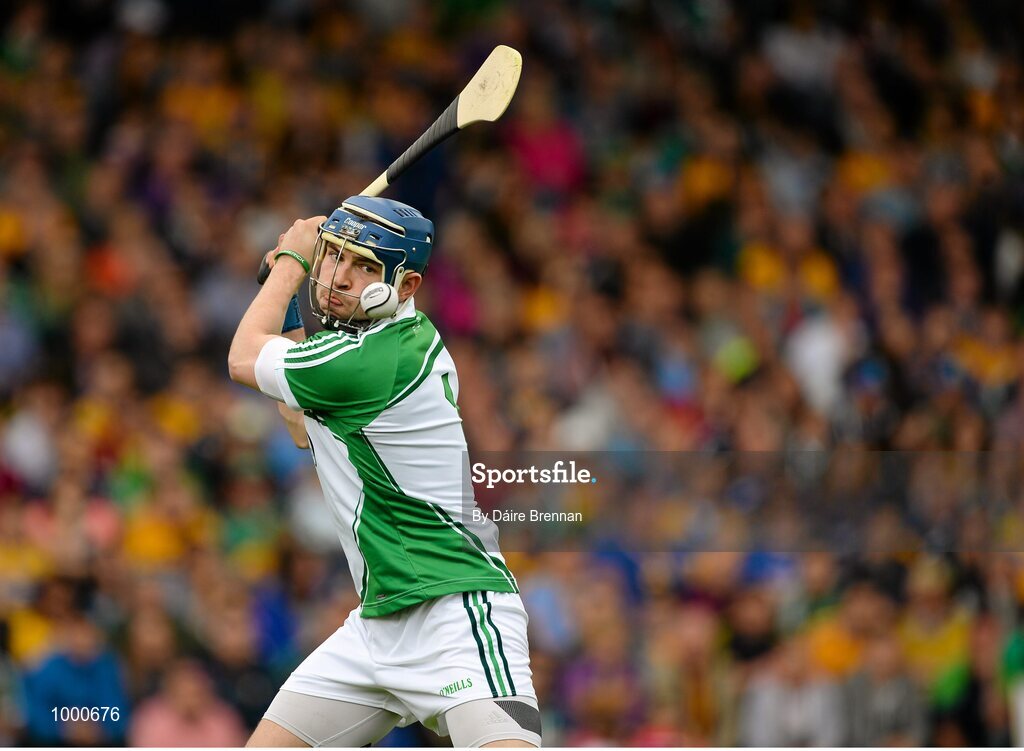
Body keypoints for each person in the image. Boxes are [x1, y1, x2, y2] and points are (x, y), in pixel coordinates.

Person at [228, 196, 540, 747]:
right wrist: (294, 299)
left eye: (365, 267)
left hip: (456, 609)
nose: (339, 278)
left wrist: (290, 264)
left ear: (408, 285)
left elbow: (241, 357)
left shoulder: (373, 360)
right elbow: (303, 425)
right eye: (335, 257)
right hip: (378, 625)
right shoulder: (364, 346)